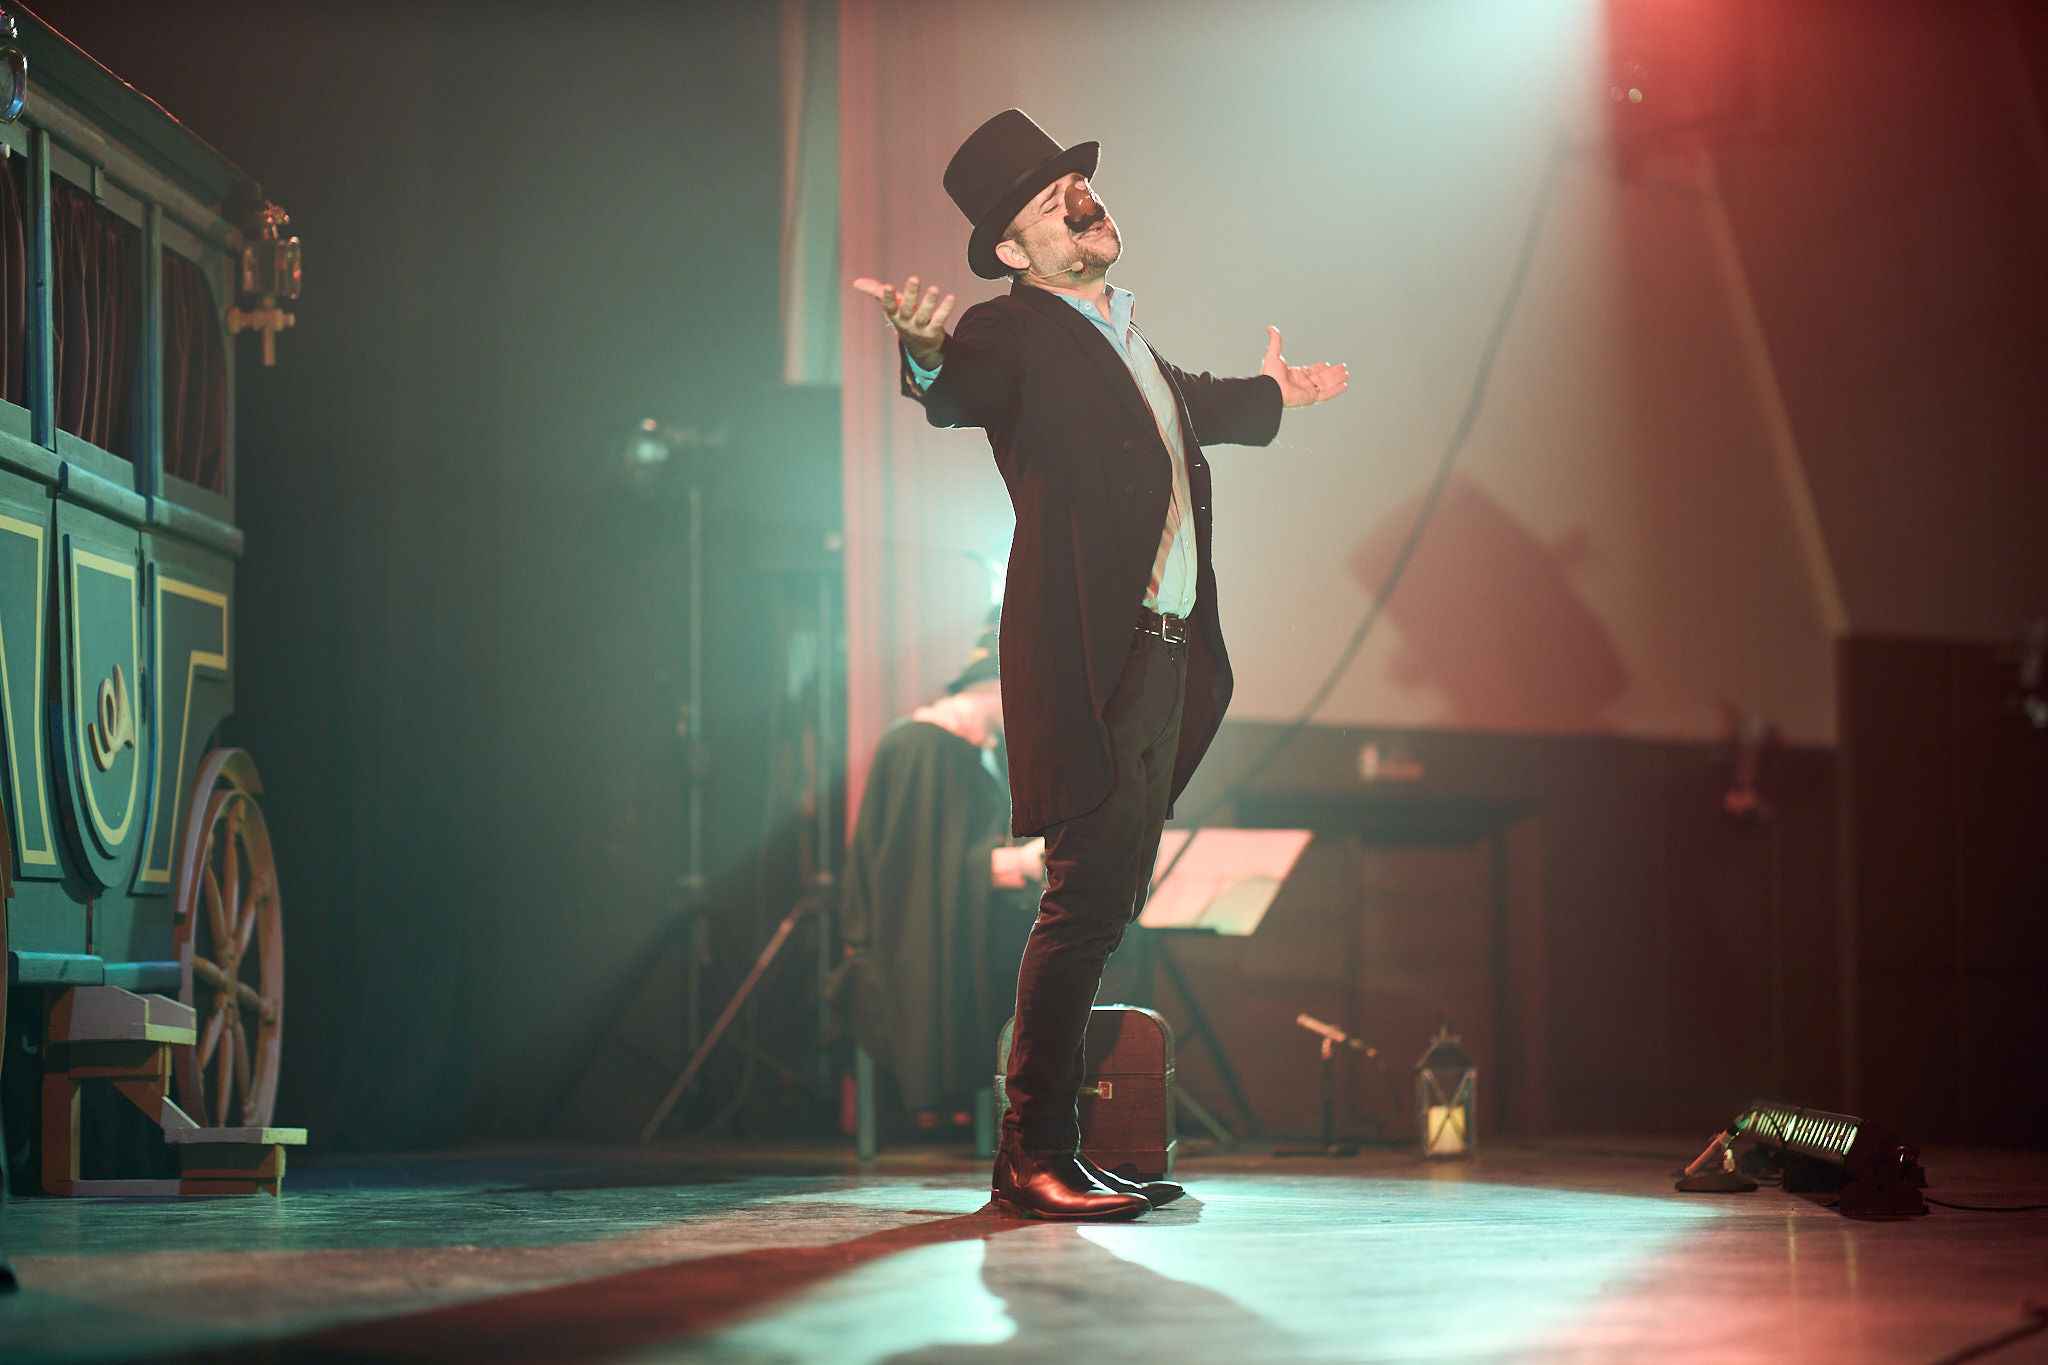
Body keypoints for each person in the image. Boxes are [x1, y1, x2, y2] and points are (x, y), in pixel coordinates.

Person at [853, 109, 1348, 1220]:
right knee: (1081, 901)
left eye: (1078, 186)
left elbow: (1190, 406)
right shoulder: (1010, 331)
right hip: (1094, 653)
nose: (1081, 203)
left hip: (1163, 653)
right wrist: (924, 352)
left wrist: (1277, 395)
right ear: (1013, 250)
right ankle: (1030, 1154)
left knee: (1109, 899)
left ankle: (1056, 1152)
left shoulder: (1124, 336)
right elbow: (957, 388)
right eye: (1050, 201)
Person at [833, 616, 1044, 1131]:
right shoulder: (922, 747)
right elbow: (912, 881)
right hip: (909, 947)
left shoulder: (974, 752)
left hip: (964, 928)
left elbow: (952, 858)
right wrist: (1018, 864)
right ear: (994, 687)